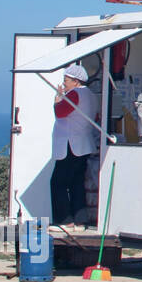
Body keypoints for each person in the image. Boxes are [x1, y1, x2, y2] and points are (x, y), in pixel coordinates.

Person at [51, 63, 99, 226]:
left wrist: (57, 100)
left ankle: (64, 219)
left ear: (76, 81)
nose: (64, 83)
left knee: (58, 182)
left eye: (66, 80)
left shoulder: (74, 94)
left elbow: (60, 112)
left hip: (70, 145)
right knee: (76, 183)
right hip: (84, 144)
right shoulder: (91, 95)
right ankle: (80, 218)